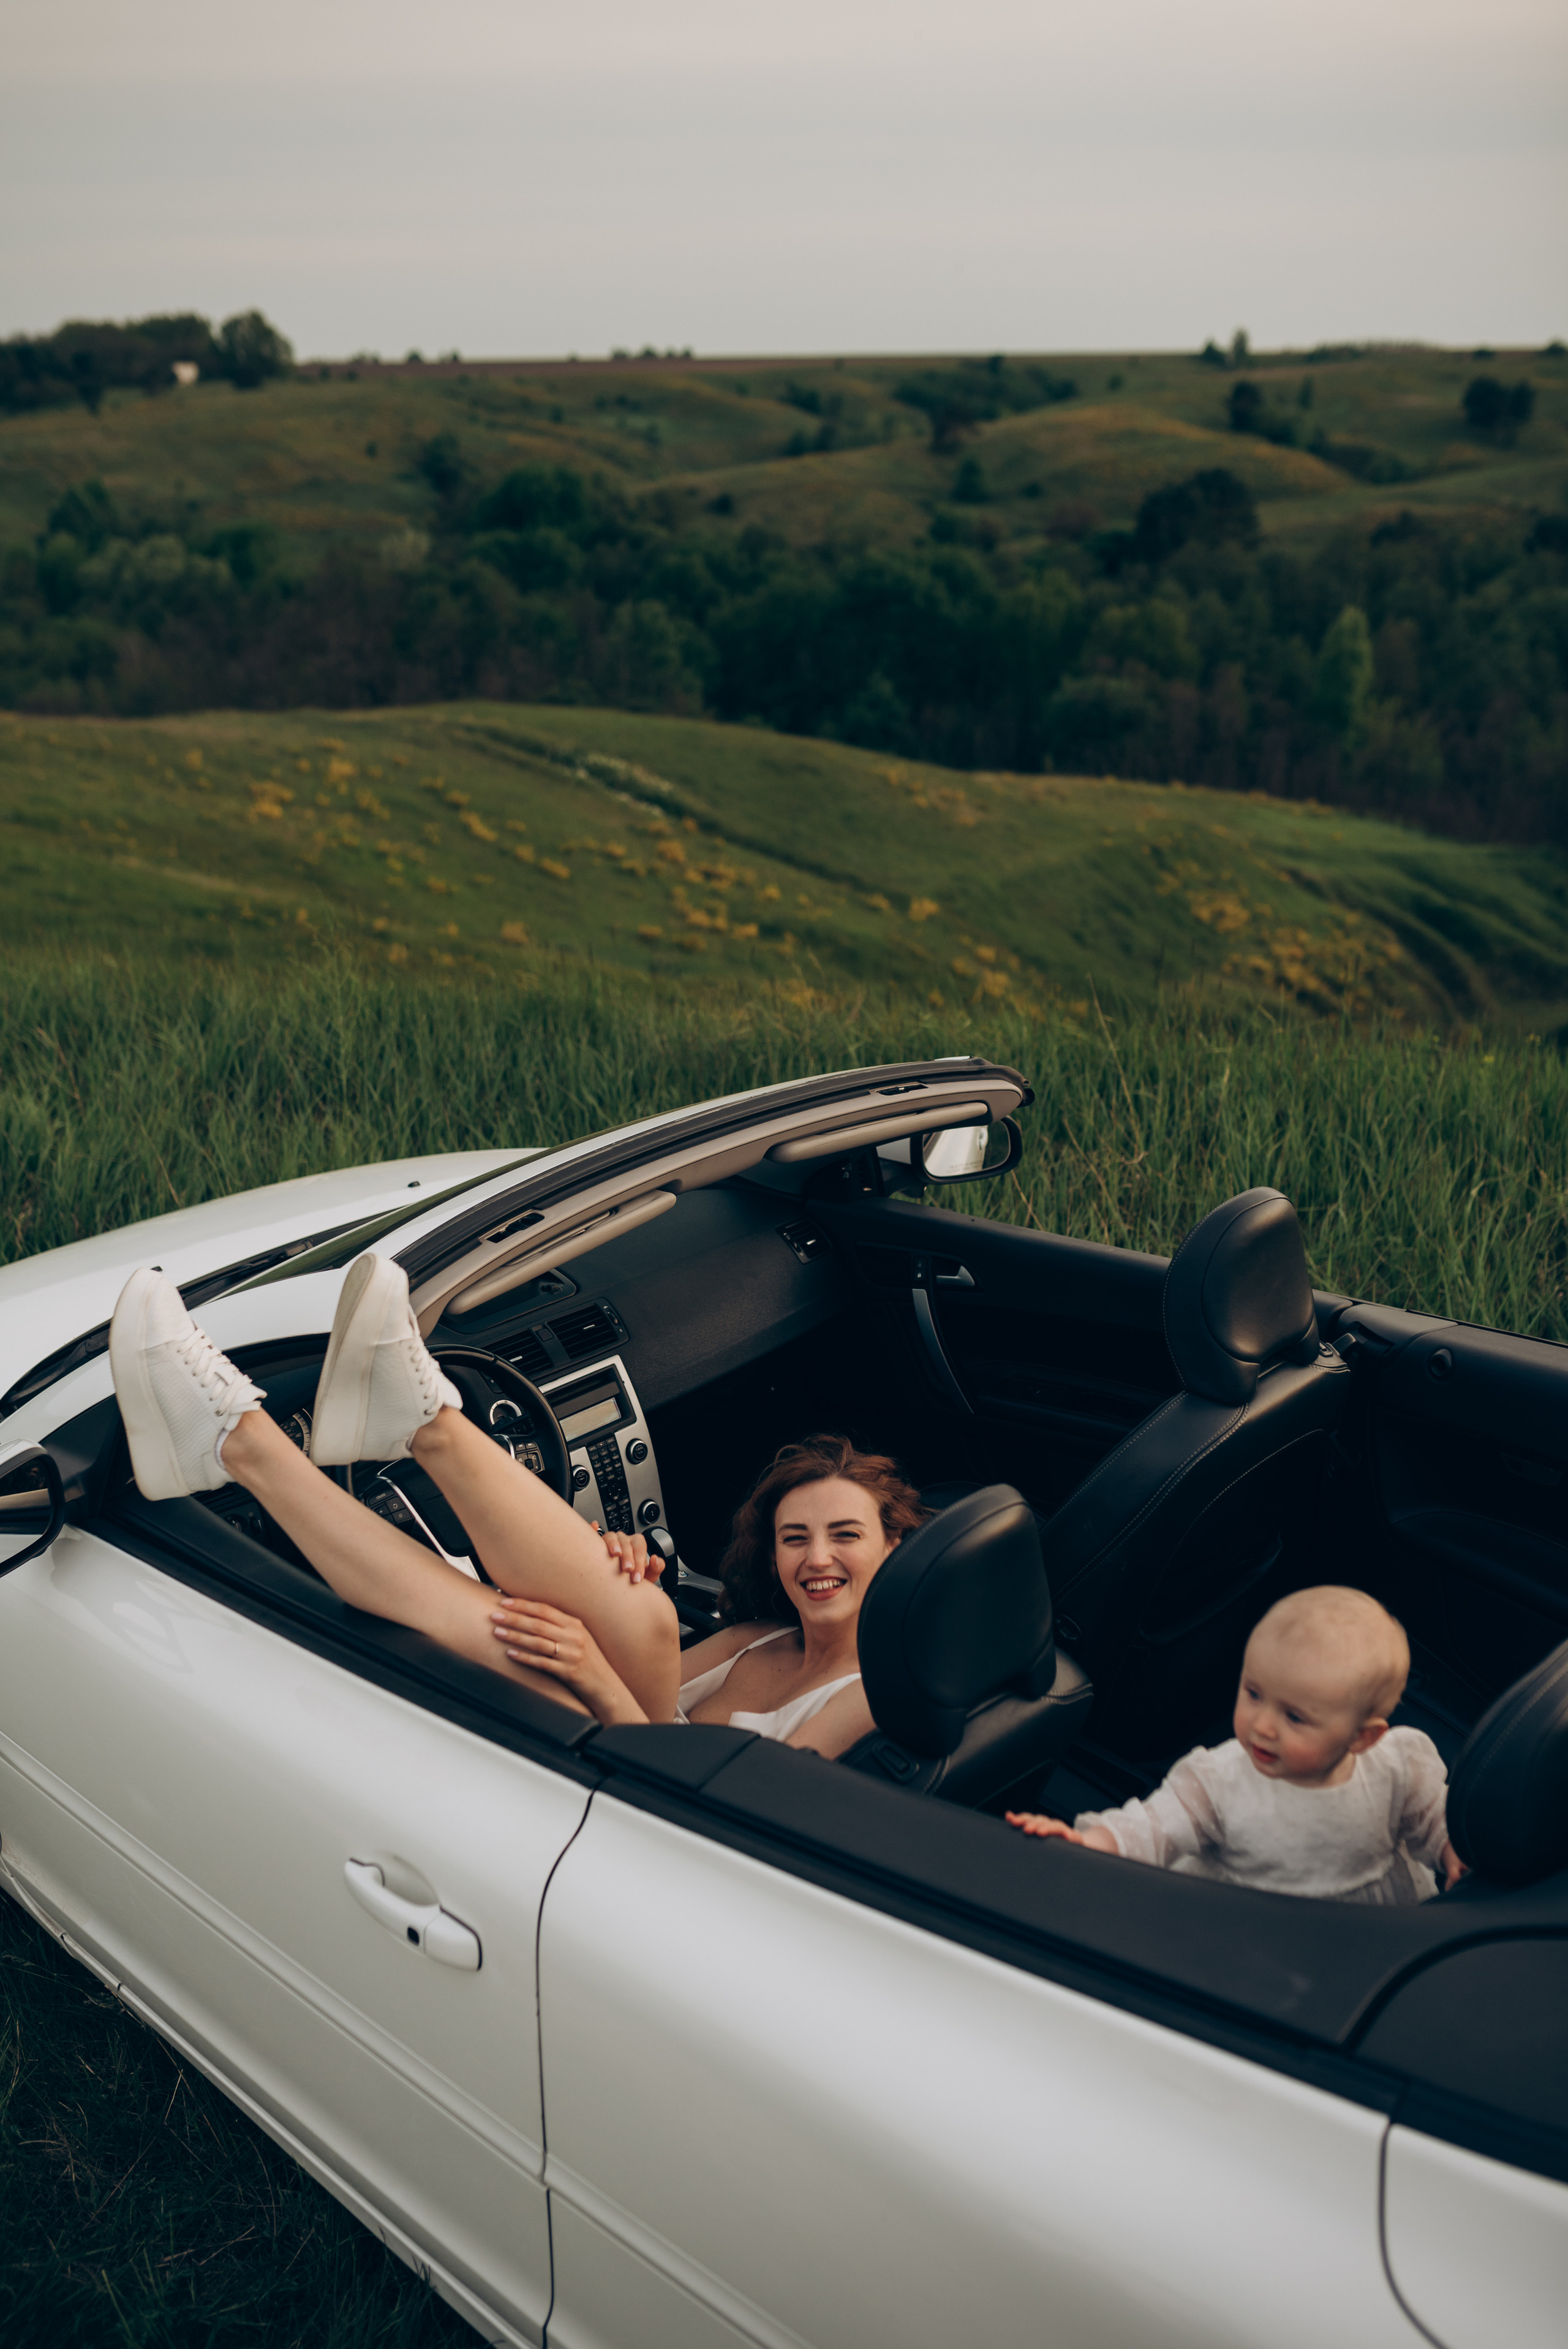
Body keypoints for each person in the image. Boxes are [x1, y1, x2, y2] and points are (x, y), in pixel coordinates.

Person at [109, 1256, 921, 1757]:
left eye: (844, 1535)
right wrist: (596, 1588)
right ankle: (420, 1424)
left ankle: (241, 1442)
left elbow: (718, 1807)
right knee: (642, 1609)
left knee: (537, 1654)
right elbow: (650, 1687)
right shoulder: (758, 1637)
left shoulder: (870, 1692)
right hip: (636, 1743)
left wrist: (591, 1670)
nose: (816, 1557)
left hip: (651, 1815)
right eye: (794, 1537)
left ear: (895, 1548)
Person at [1006, 1586, 1464, 1904]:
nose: (1262, 1726)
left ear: (1363, 1738)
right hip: (1250, 1935)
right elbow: (1152, 1828)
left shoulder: (1397, 1767)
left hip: (1371, 1934)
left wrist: (1452, 1854)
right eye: (1254, 1693)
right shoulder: (1219, 1781)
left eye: (1294, 1717)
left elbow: (1433, 1819)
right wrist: (1088, 1842)